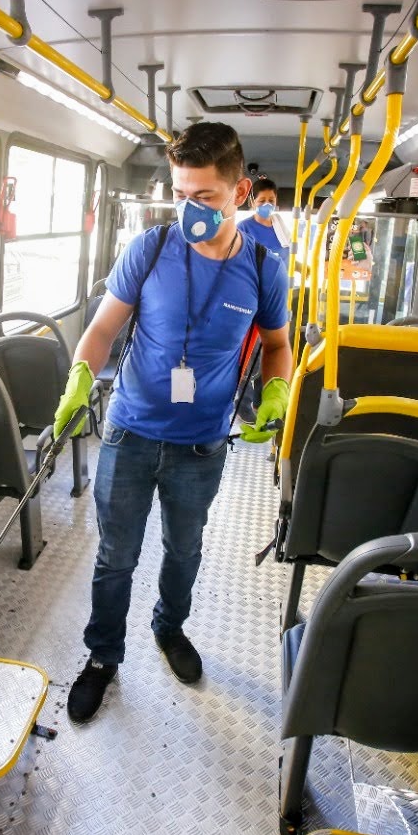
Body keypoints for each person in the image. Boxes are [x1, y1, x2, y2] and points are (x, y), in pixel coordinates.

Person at [52, 122, 292, 723]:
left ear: (239, 192)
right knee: (115, 556)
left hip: (202, 445)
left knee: (184, 550)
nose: (189, 210)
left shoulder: (263, 268)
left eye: (204, 197)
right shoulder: (150, 249)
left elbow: (277, 344)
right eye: (181, 195)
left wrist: (278, 390)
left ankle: (170, 628)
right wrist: (81, 376)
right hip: (130, 432)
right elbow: (103, 330)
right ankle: (104, 656)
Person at [237, 176, 286, 260]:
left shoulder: (280, 226)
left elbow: (286, 254)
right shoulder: (243, 228)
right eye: (262, 201)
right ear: (253, 202)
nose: (267, 204)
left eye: (271, 201)